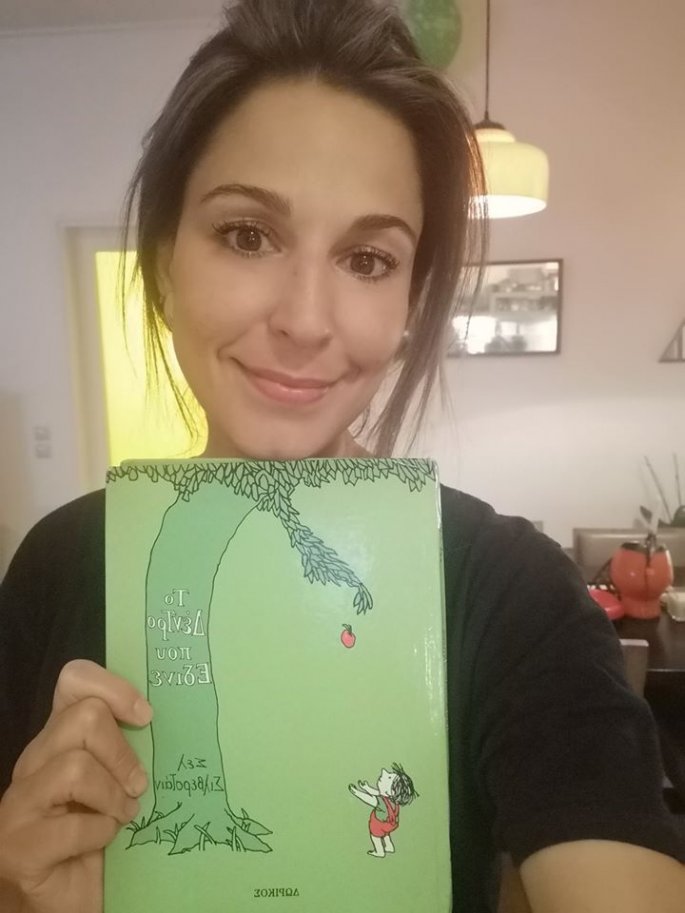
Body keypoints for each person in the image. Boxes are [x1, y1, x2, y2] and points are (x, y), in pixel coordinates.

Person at [0, 1, 683, 911]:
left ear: (408, 304)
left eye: (366, 258)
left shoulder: (511, 590)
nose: (304, 320)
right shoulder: (55, 566)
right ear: (164, 264)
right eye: (247, 235)